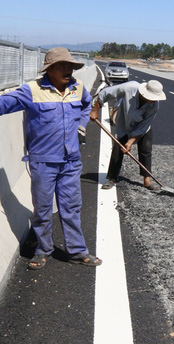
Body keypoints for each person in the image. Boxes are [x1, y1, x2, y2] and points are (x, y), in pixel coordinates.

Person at [0, 47, 101, 270]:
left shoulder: (78, 87)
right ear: (50, 69)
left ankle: (77, 250)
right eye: (63, 66)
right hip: (43, 161)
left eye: (71, 66)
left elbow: (86, 105)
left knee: (71, 206)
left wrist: (82, 126)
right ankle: (43, 249)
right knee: (43, 207)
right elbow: (3, 104)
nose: (69, 71)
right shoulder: (31, 90)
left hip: (71, 161)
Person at [90, 80, 166, 191]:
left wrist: (131, 141)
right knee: (117, 149)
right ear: (144, 93)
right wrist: (94, 110)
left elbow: (143, 126)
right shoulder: (129, 88)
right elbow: (105, 93)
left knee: (146, 150)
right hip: (124, 124)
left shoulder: (155, 105)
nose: (153, 100)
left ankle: (147, 181)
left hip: (142, 127)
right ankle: (112, 178)